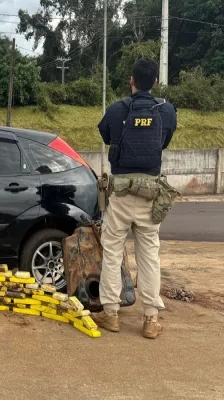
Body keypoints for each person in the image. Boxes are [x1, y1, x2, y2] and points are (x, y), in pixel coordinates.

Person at [93, 59, 177, 339]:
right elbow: (164, 141)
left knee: (112, 253)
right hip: (150, 194)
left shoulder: (116, 110)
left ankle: (110, 313)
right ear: (155, 82)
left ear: (131, 80)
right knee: (149, 256)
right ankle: (151, 319)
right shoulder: (166, 110)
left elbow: (106, 136)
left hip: (120, 193)